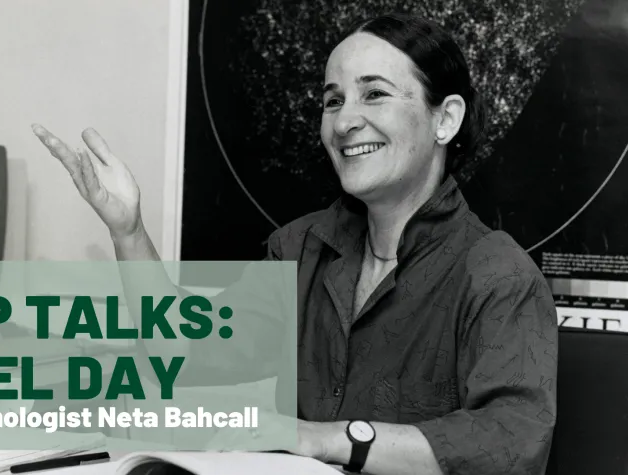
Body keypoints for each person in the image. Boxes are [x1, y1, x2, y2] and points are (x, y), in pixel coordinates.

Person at [31, 13, 558, 475]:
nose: (346, 121)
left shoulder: (498, 274)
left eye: (374, 93)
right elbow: (189, 353)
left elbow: (511, 445)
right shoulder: (301, 247)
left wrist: (324, 439)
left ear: (446, 119)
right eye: (333, 100)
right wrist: (128, 229)